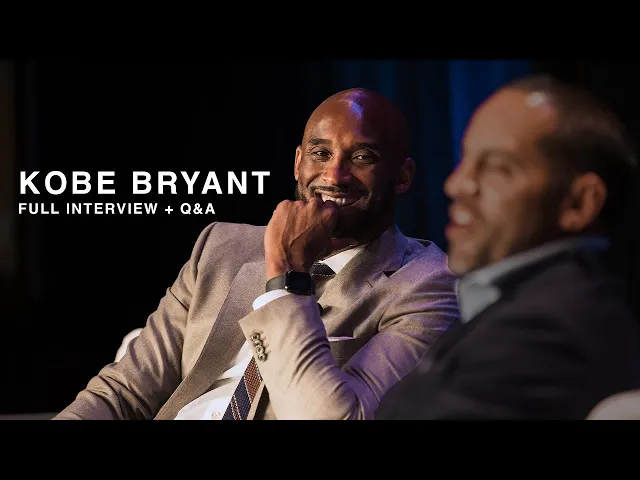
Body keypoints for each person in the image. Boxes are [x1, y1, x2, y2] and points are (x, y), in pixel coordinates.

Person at [53, 87, 460, 420]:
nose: (334, 175)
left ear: (402, 176)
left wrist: (287, 278)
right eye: (320, 154)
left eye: (362, 157)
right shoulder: (220, 247)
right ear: (298, 163)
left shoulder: (428, 285)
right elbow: (124, 393)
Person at [375, 75, 640, 420]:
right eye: (466, 159)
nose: (456, 184)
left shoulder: (552, 329)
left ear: (578, 203)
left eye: (498, 168)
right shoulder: (523, 304)